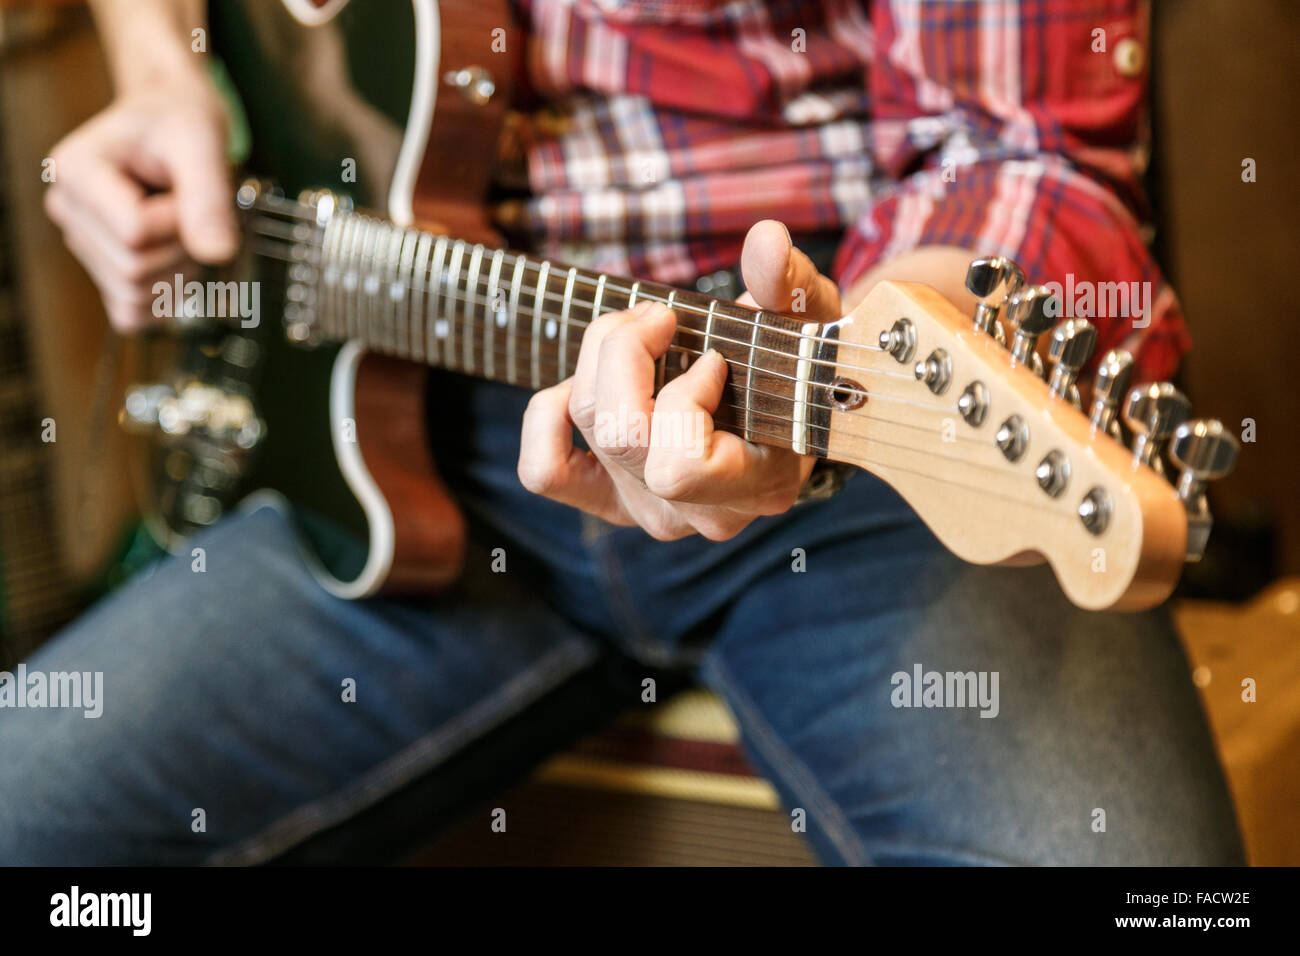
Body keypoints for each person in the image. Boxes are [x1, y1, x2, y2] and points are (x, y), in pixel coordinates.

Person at [1, 0, 1242, 865]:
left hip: (839, 407)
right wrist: (162, 66)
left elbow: (1019, 149)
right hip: (395, 442)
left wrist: (865, 352)